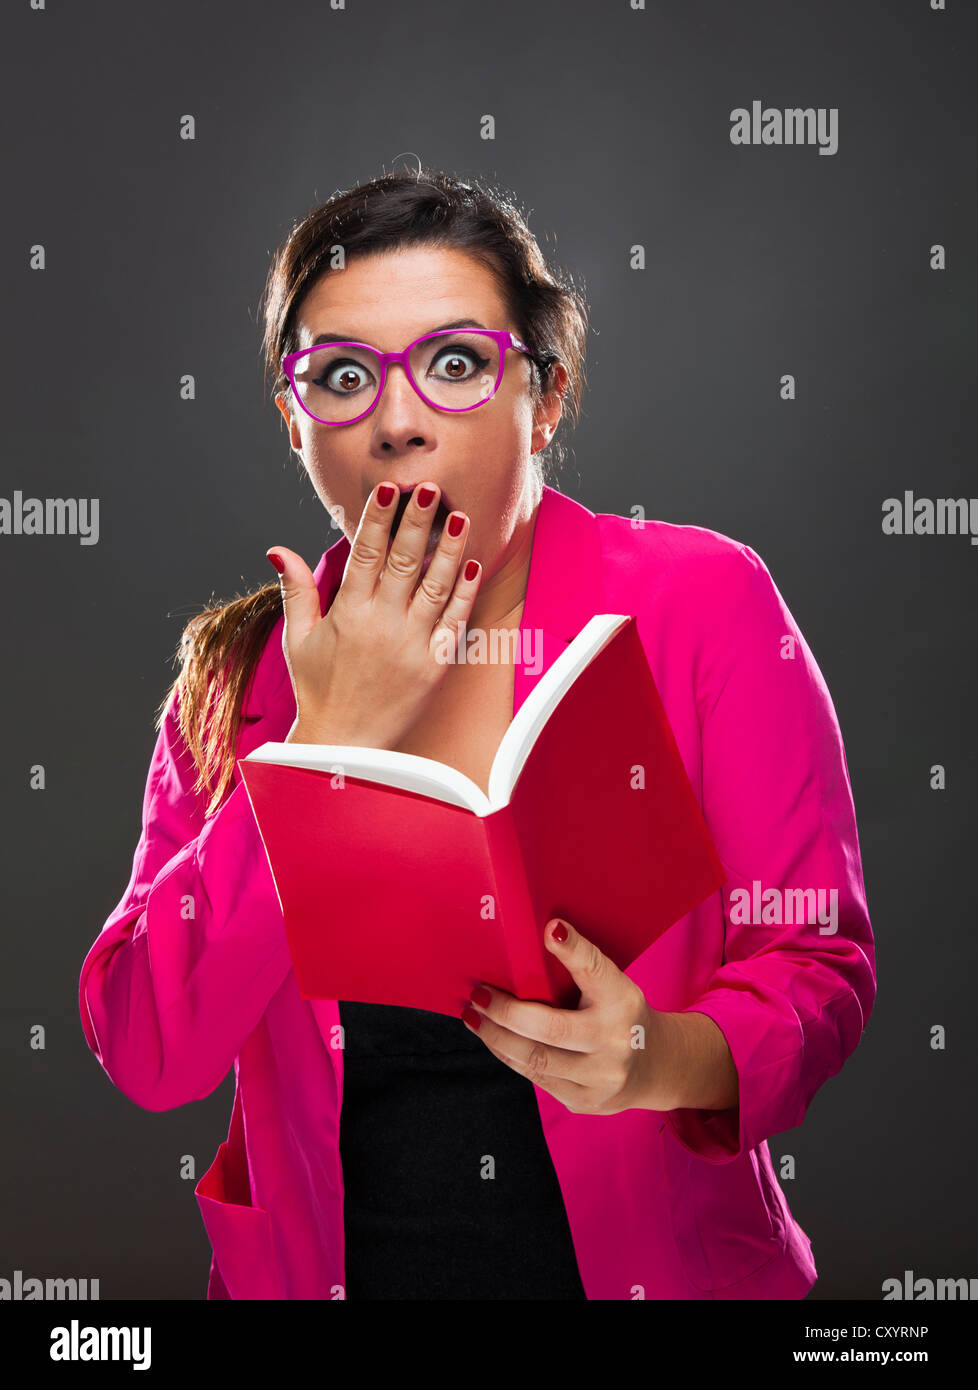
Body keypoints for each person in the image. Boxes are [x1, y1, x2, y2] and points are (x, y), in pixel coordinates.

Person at [78, 167, 876, 1300]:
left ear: (544, 399)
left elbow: (817, 962)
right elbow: (150, 1049)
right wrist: (321, 738)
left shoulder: (707, 603)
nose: (398, 423)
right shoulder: (234, 684)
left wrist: (659, 1055)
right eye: (343, 377)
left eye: (454, 365)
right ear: (293, 422)